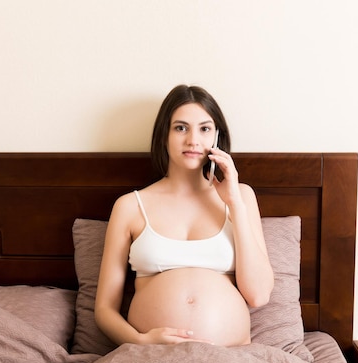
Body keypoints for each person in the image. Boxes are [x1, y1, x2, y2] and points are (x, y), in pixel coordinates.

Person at [95, 85, 274, 347]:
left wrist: (234, 203)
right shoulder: (130, 206)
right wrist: (140, 341)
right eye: (181, 128)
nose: (193, 140)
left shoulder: (242, 197)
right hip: (152, 359)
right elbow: (104, 310)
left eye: (204, 129)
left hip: (230, 358)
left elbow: (258, 295)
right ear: (164, 134)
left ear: (216, 136)